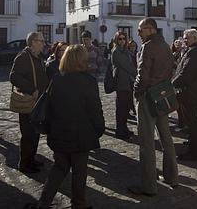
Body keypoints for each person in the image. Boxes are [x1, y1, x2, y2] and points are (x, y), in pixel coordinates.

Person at [26, 45, 105, 209]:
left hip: (59, 132)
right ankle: (79, 205)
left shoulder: (57, 80)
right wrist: (99, 129)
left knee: (59, 168)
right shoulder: (89, 81)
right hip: (81, 135)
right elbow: (95, 109)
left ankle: (43, 203)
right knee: (79, 171)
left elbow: (49, 108)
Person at [128, 18, 178, 196]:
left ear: (150, 30)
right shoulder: (165, 45)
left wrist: (136, 92)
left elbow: (143, 74)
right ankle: (172, 177)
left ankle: (149, 185)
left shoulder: (147, 47)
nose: (139, 33)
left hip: (148, 97)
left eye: (140, 30)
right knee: (166, 137)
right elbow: (172, 68)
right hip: (162, 95)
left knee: (147, 142)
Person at [10, 32, 49, 174]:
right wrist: (32, 89)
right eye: (41, 41)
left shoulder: (37, 57)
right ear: (33, 42)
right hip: (28, 101)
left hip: (38, 102)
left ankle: (31, 158)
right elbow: (14, 76)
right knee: (28, 134)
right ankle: (24, 163)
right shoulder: (23, 57)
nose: (44, 43)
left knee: (35, 132)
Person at [172, 29, 197, 161]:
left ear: (194, 38)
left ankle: (194, 151)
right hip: (196, 91)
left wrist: (172, 83)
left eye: (186, 38)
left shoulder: (194, 52)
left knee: (193, 123)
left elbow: (186, 73)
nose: (184, 40)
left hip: (191, 92)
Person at [111, 31, 136, 140]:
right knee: (121, 107)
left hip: (128, 81)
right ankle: (120, 130)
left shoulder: (125, 51)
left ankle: (124, 128)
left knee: (126, 107)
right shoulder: (116, 51)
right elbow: (126, 65)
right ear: (116, 40)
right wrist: (137, 74)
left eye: (123, 38)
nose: (122, 41)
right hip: (121, 82)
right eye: (119, 39)